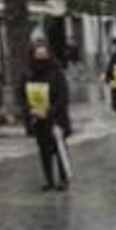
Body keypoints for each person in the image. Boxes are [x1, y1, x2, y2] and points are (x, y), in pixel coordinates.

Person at [22, 42, 72, 190]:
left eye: (44, 53)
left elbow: (63, 96)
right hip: (38, 119)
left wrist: (51, 110)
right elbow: (23, 95)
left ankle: (64, 179)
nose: (41, 56)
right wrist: (30, 109)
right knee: (44, 151)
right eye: (38, 53)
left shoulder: (57, 72)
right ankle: (49, 180)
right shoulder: (28, 73)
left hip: (56, 118)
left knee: (60, 149)